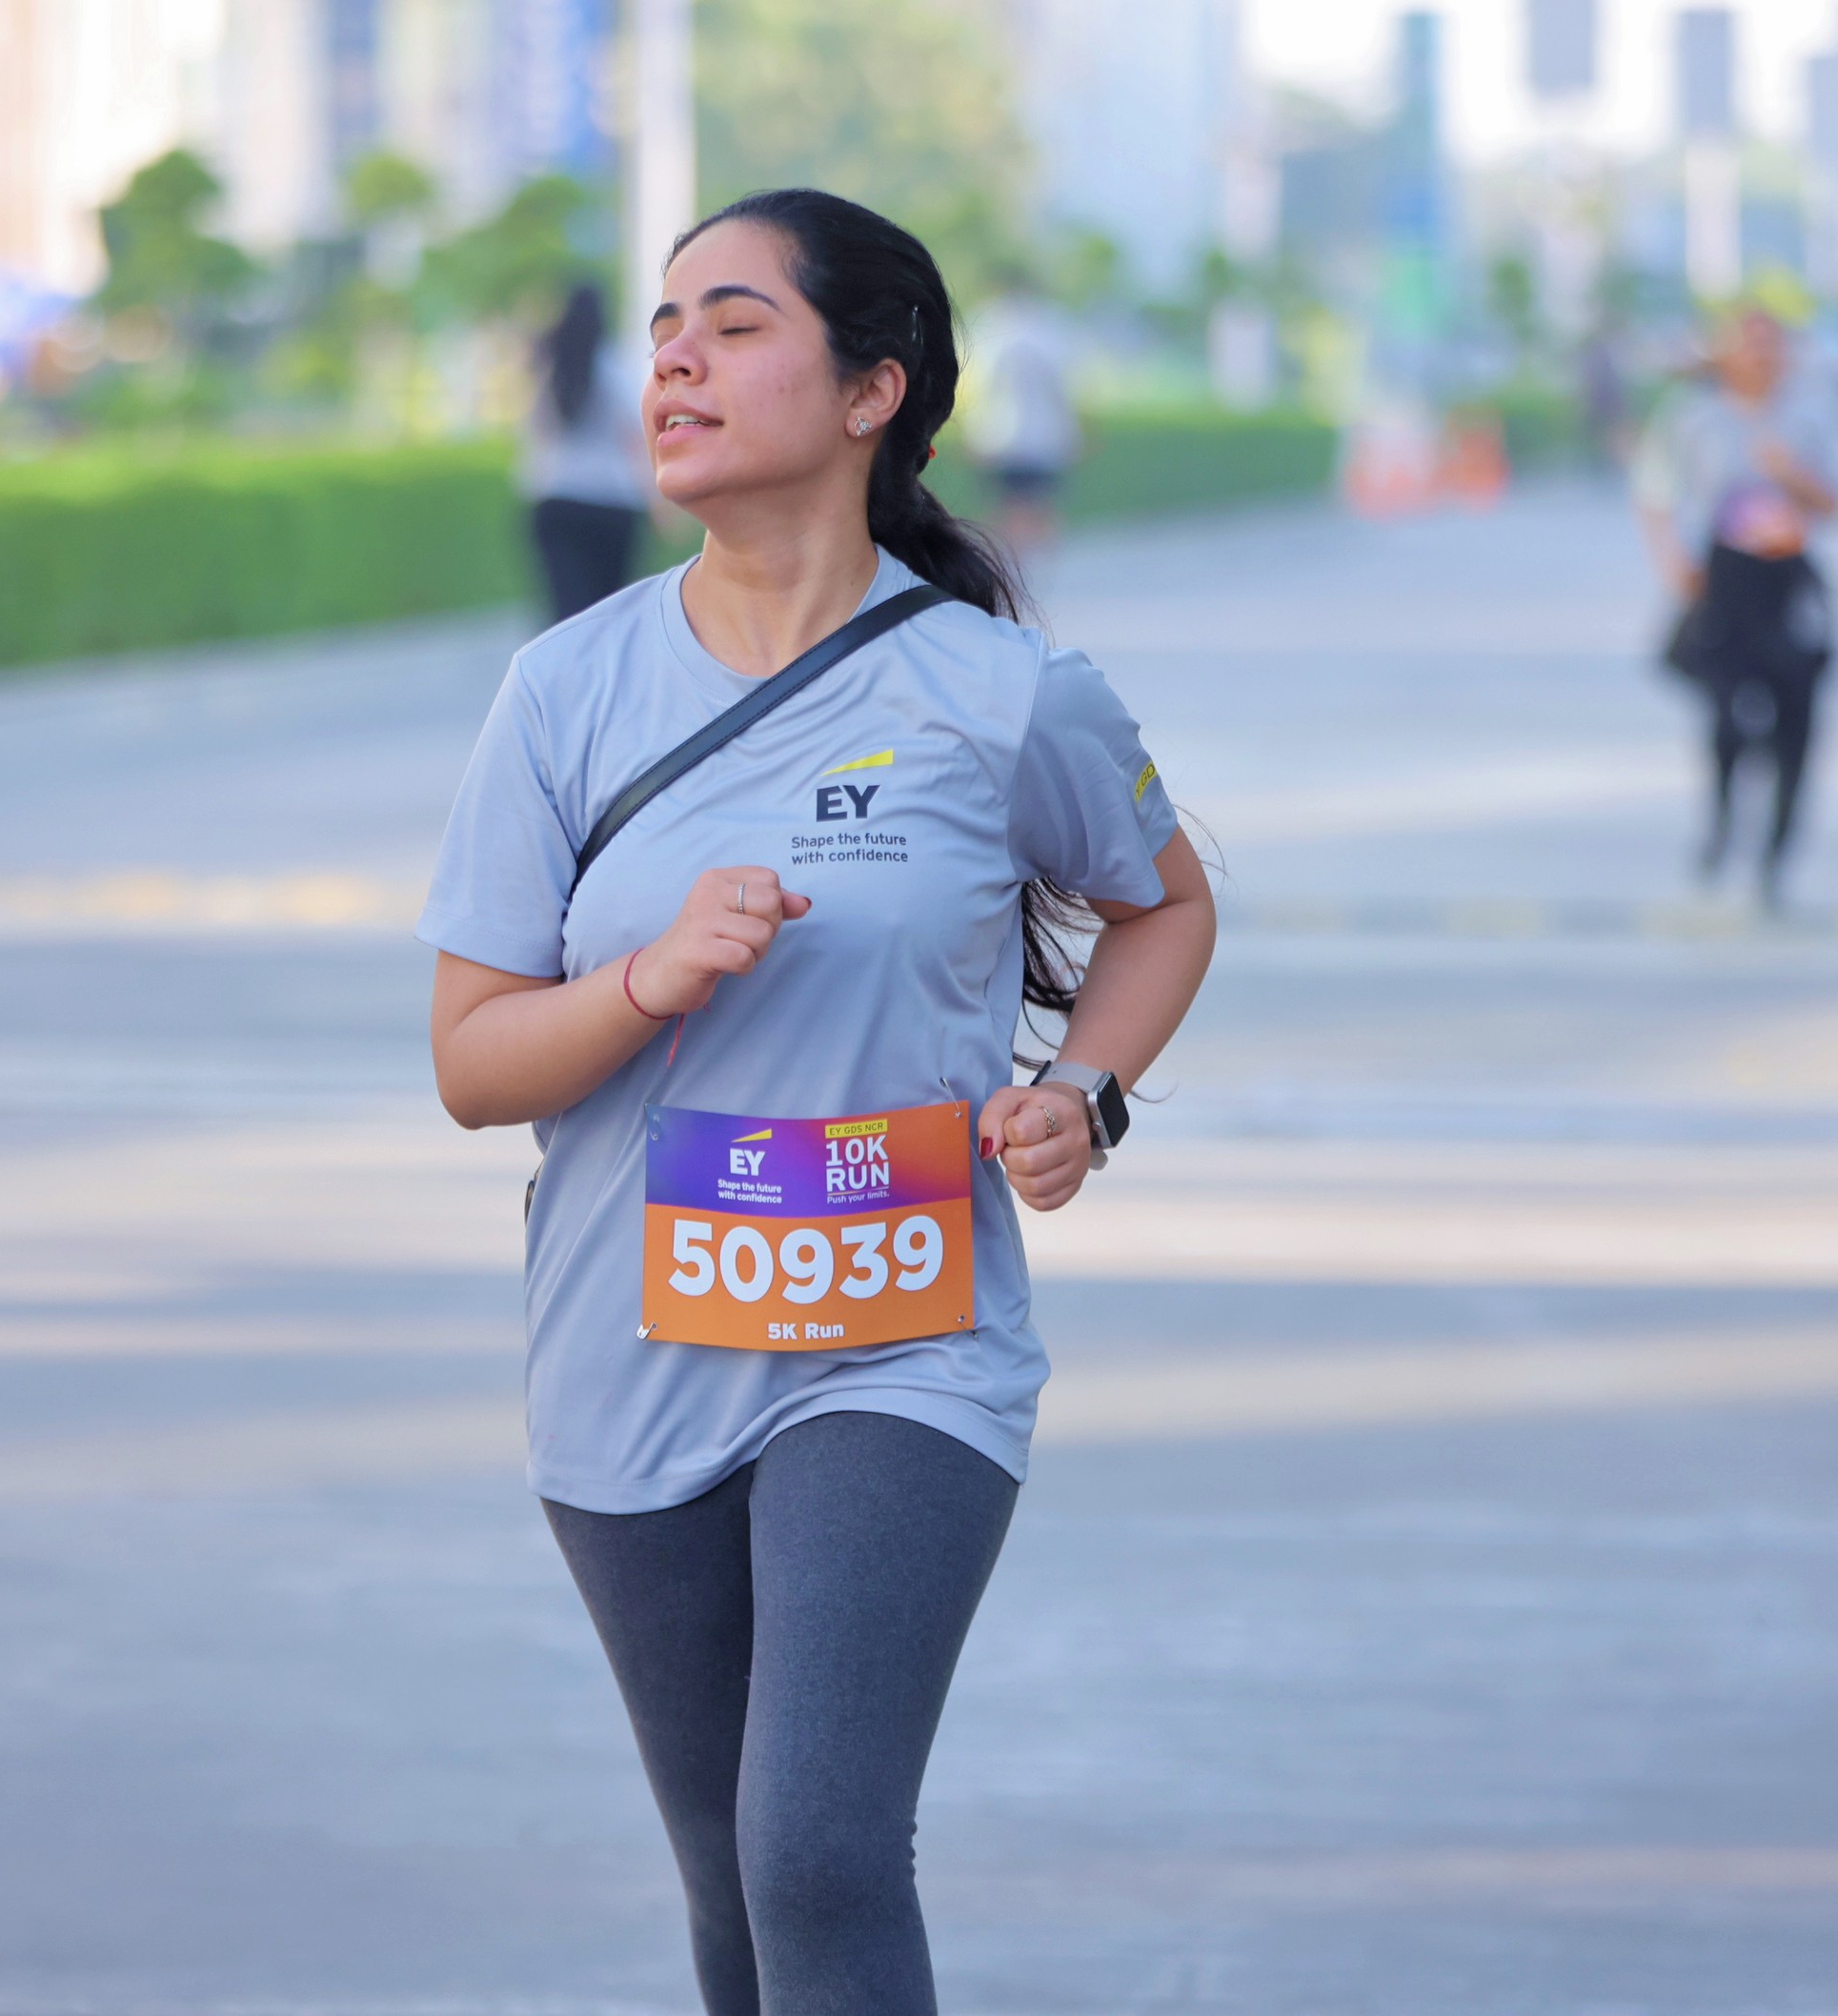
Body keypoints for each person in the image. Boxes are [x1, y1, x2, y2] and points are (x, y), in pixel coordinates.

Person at [418, 189, 1215, 2013]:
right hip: (627, 1348)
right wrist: (645, 980)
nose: (673, 360)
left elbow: (1165, 905)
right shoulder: (562, 691)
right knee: (733, 1885)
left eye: (733, 323)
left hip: (898, 1343)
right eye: (661, 328)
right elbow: (470, 1061)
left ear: (871, 391)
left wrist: (1081, 1093)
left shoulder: (1003, 693)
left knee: (817, 1852)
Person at [1633, 306, 1838, 912]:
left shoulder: (1808, 415)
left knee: (1797, 721)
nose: (1759, 357)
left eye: (1769, 345)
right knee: (1726, 718)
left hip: (1788, 577)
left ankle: (1777, 853)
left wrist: (1792, 475)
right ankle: (1722, 826)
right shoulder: (1694, 416)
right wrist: (1674, 561)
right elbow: (1655, 491)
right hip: (1725, 579)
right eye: (1747, 345)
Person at [520, 280, 652, 624]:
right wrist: (658, 498)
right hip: (612, 503)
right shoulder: (614, 368)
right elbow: (635, 439)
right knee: (610, 614)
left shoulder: (549, 370)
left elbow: (534, 434)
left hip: (556, 499)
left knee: (566, 616)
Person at [961, 277, 1081, 554]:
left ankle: (1003, 558)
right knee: (1039, 506)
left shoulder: (989, 327)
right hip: (1044, 437)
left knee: (1005, 506)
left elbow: (978, 389)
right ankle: (1036, 559)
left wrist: (973, 434)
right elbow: (1063, 390)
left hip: (1000, 436)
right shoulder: (1052, 330)